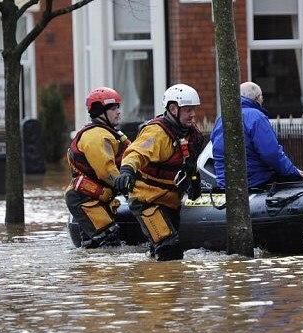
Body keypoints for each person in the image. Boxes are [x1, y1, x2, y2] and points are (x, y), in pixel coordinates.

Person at [114, 84, 207, 261]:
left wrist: (194, 183)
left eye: (193, 110)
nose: (193, 114)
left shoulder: (193, 135)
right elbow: (136, 153)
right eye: (188, 110)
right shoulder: (156, 133)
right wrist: (126, 171)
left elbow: (190, 166)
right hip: (147, 199)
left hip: (170, 200)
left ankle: (153, 276)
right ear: (173, 109)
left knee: (163, 250)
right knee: (169, 248)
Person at [65, 87, 131, 248]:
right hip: (85, 198)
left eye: (118, 108)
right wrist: (131, 189)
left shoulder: (111, 133)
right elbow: (106, 172)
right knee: (109, 242)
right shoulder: (96, 137)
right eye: (113, 108)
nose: (118, 112)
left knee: (94, 247)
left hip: (96, 197)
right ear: (100, 112)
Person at [212, 82, 302, 188]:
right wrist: (293, 172)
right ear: (258, 98)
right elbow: (271, 153)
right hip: (254, 182)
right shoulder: (256, 117)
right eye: (262, 97)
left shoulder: (221, 118)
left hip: (225, 184)